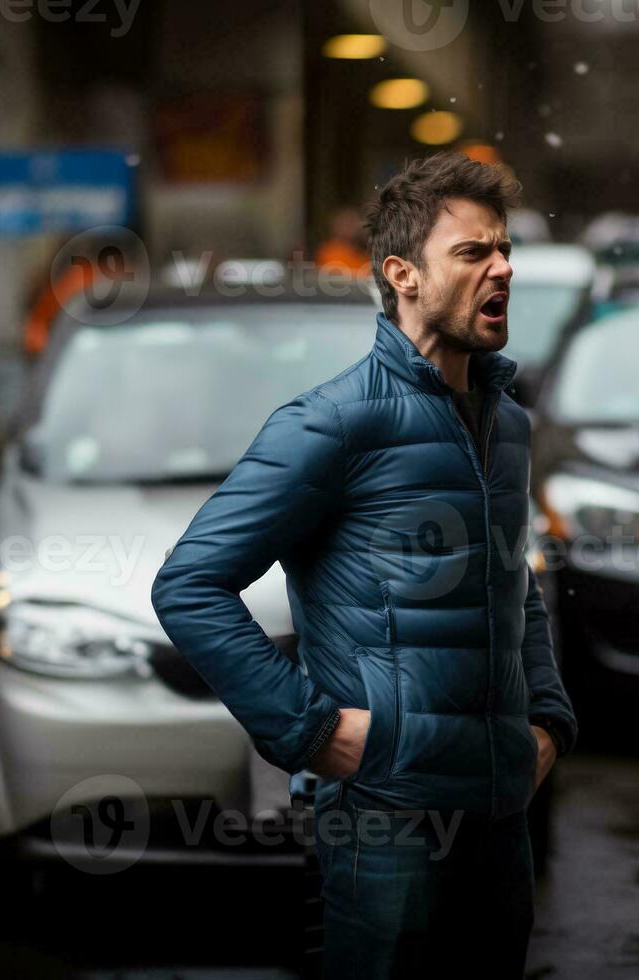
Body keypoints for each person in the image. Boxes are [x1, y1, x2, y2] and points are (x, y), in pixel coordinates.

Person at [152, 153, 576, 978]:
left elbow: (508, 578)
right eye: (473, 253)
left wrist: (548, 722)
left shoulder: (508, 424)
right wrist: (312, 731)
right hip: (385, 820)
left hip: (498, 816)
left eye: (505, 250)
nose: (504, 268)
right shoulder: (334, 423)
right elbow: (190, 585)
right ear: (402, 275)